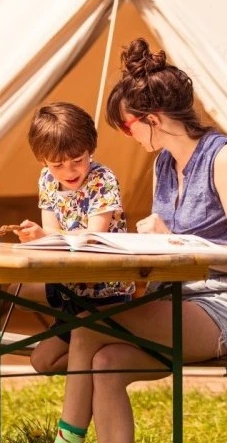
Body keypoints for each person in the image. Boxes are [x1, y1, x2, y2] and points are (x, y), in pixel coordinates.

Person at [41, 39, 227, 443]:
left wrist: (177, 240)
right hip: (178, 301)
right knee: (106, 363)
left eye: (128, 128)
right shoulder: (163, 165)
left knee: (89, 325)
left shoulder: (225, 158)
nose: (128, 138)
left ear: (152, 119)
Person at [12, 102, 135, 374]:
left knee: (84, 348)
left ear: (90, 149)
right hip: (71, 292)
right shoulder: (47, 179)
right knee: (41, 361)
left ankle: (110, 354)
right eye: (58, 164)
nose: (69, 171)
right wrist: (36, 238)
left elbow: (93, 239)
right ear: (43, 161)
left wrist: (46, 236)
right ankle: (97, 357)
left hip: (106, 293)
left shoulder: (102, 180)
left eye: (78, 160)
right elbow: (50, 235)